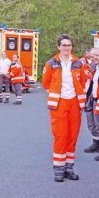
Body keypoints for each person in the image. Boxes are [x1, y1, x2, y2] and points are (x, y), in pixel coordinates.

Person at [42, 34, 86, 182]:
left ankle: (69, 168)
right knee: (60, 136)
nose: (67, 48)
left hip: (74, 102)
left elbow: (83, 82)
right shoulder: (51, 63)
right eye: (64, 45)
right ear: (58, 47)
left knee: (72, 136)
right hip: (59, 103)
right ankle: (59, 169)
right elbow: (46, 83)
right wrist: (55, 95)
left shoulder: (78, 63)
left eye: (69, 45)